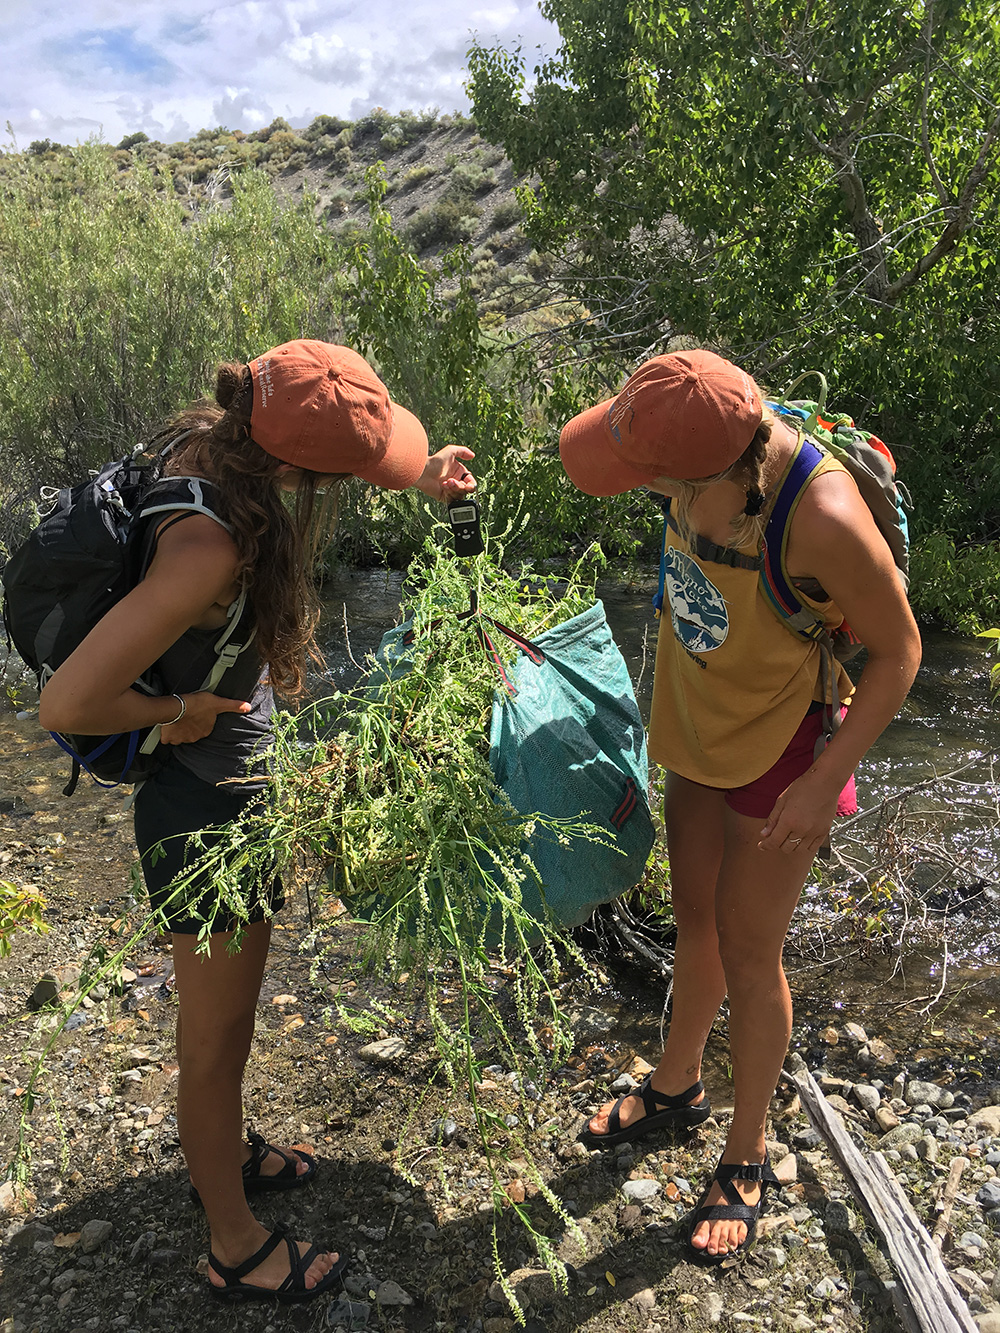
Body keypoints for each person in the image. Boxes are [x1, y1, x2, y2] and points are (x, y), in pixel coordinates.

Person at [38, 339, 476, 1303]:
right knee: (218, 1037)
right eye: (347, 477)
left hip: (234, 772)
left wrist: (428, 480)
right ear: (291, 470)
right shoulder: (205, 551)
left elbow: (343, 445)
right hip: (201, 808)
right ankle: (234, 1245)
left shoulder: (220, 438)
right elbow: (65, 707)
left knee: (228, 1021)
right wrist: (177, 715)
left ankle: (229, 1144)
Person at [558, 350, 920, 1261]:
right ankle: (678, 1080)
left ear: (710, 469)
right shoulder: (692, 452)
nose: (641, 487)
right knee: (695, 921)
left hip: (779, 749)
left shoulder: (823, 518)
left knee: (752, 950)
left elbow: (902, 653)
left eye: (649, 477)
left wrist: (818, 778)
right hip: (696, 728)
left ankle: (746, 1151)